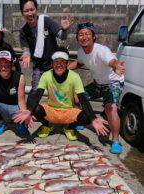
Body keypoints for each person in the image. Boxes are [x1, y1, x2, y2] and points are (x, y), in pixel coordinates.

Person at [14, 48, 109, 141]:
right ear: (52, 64)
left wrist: (94, 119)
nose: (59, 65)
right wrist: (29, 110)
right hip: (51, 110)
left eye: (62, 62)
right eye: (56, 62)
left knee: (88, 116)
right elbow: (38, 94)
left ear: (67, 64)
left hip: (69, 111)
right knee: (34, 107)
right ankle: (47, 125)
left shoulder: (75, 77)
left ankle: (70, 127)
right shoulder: (46, 75)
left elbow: (83, 98)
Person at [69, 22, 125, 154]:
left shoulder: (101, 50)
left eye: (87, 34)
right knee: (76, 98)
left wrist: (116, 65)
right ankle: (82, 120)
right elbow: (79, 62)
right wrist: (62, 69)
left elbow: (111, 61)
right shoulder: (81, 51)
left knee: (110, 108)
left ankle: (115, 140)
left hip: (113, 82)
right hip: (98, 83)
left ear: (94, 37)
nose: (84, 37)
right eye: (81, 34)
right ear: (77, 38)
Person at [19, 0, 73, 95]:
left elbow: (61, 36)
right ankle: (31, 109)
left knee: (59, 92)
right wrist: (26, 55)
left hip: (54, 64)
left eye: (32, 9)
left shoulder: (46, 21)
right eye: (26, 11)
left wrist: (64, 29)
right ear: (22, 13)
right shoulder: (23, 31)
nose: (30, 13)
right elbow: (26, 49)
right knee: (35, 91)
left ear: (36, 10)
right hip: (39, 67)